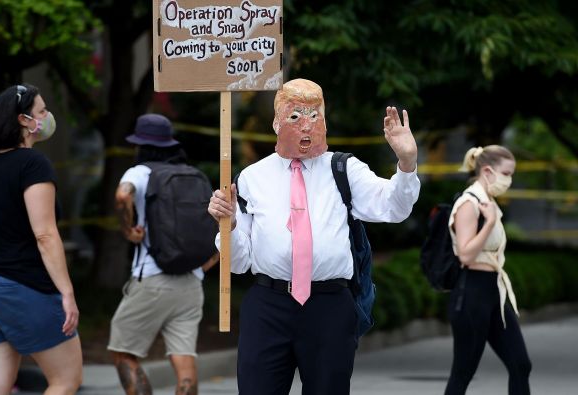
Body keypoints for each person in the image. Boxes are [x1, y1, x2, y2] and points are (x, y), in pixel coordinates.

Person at [207, 78, 420, 394]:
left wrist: (407, 162)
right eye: (295, 116)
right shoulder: (252, 178)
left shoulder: (344, 169)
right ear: (277, 122)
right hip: (269, 305)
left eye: (315, 115)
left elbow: (394, 208)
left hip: (329, 306)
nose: (306, 126)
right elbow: (238, 263)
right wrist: (230, 226)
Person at [0, 83, 83, 395]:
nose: (47, 116)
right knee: (65, 381)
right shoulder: (33, 164)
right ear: (25, 120)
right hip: (20, 286)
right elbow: (44, 234)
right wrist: (67, 292)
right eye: (41, 111)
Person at [108, 113, 208, 395]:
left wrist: (128, 231)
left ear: (140, 144)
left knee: (123, 352)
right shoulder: (190, 174)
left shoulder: (139, 172)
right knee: (184, 361)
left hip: (153, 278)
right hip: (191, 282)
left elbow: (122, 195)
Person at [445, 145, 531, 394]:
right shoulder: (469, 203)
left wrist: (492, 216)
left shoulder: (488, 202)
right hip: (471, 291)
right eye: (506, 173)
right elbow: (466, 254)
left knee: (520, 364)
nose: (509, 180)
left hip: (494, 290)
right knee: (463, 372)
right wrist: (490, 222)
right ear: (487, 171)